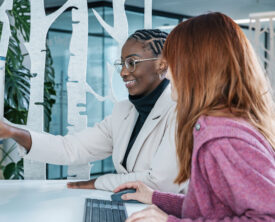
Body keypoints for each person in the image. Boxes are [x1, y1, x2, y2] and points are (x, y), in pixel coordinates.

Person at [0, 29, 187, 193]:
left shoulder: (182, 112)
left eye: (132, 63)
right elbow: (71, 148)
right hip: (131, 207)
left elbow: (161, 182)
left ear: (162, 64)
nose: (123, 72)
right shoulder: (123, 112)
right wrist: (13, 132)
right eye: (121, 63)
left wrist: (96, 183)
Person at [114, 12, 275, 221]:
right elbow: (212, 208)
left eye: (171, 63)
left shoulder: (223, 137)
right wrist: (155, 197)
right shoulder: (226, 124)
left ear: (195, 67)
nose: (168, 74)